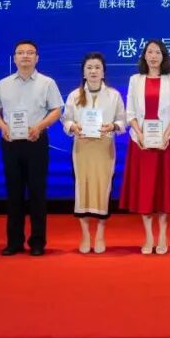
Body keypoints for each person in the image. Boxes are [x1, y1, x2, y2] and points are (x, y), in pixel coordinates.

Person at [0, 40, 63, 256]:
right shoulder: (3, 84)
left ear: (37, 58)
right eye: (21, 53)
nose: (25, 56)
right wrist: (3, 126)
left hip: (36, 141)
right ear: (14, 58)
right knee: (14, 192)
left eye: (30, 53)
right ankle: (14, 242)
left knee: (37, 192)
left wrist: (39, 126)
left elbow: (56, 110)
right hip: (11, 142)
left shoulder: (47, 83)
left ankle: (37, 242)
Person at [119, 39, 170, 255]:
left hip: (167, 142)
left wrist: (165, 135)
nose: (154, 56)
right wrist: (140, 134)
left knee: (164, 191)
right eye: (150, 52)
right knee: (145, 190)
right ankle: (148, 236)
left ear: (163, 56)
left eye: (158, 52)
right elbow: (130, 112)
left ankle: (163, 235)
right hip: (141, 143)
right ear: (144, 56)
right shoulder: (135, 80)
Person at [62, 52, 127, 254]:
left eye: (97, 67)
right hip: (82, 149)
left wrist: (112, 126)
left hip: (104, 149)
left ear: (103, 72)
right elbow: (66, 119)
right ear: (83, 72)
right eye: (89, 67)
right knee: (82, 189)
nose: (93, 71)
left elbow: (122, 121)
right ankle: (85, 235)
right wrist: (73, 127)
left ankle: (99, 234)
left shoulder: (114, 95)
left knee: (102, 190)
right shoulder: (74, 95)